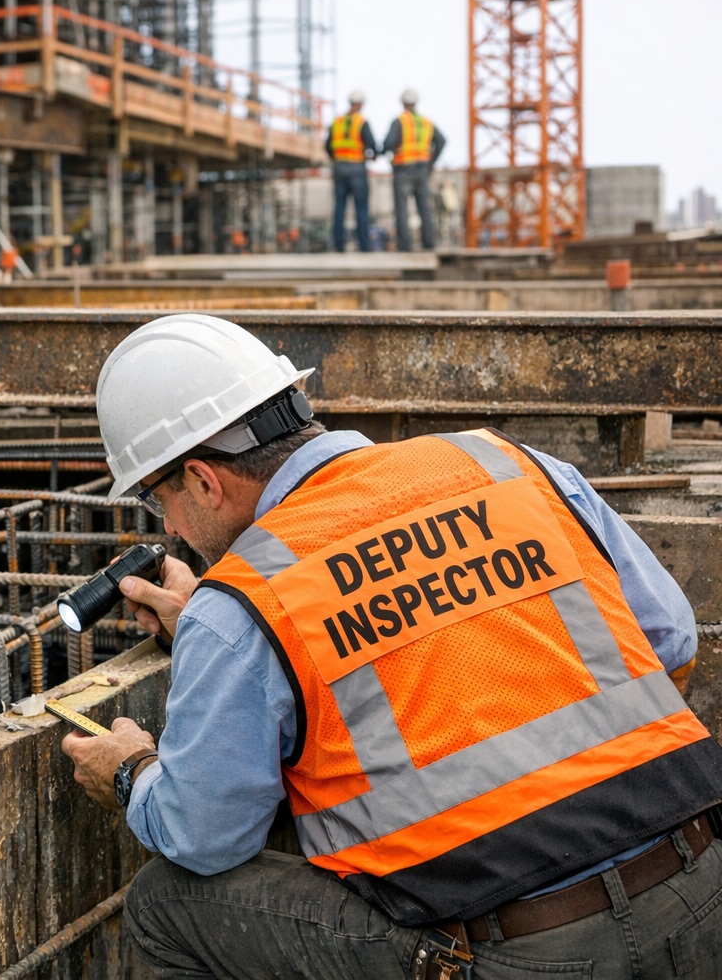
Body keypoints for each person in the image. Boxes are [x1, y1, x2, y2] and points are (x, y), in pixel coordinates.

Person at [61, 313, 722, 979]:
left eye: (157, 501)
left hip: (521, 953)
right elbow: (669, 642)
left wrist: (131, 771)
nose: (169, 527)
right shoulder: (504, 465)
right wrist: (224, 637)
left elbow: (206, 835)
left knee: (166, 904)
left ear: (204, 481)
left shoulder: (243, 601)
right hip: (704, 885)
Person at [384, 88, 446, 251]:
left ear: (403, 102)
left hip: (404, 170)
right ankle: (428, 244)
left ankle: (405, 246)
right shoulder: (426, 122)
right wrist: (430, 163)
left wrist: (387, 152)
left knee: (402, 210)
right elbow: (441, 141)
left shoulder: (400, 121)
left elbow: (388, 144)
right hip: (422, 170)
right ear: (416, 102)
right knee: (425, 208)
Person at [327, 90, 377, 252]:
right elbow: (373, 145)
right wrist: (372, 156)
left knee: (339, 208)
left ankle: (338, 245)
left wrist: (337, 158)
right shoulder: (361, 122)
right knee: (361, 208)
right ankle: (364, 245)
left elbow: (328, 146)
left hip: (339, 168)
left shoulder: (337, 122)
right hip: (356, 168)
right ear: (361, 104)